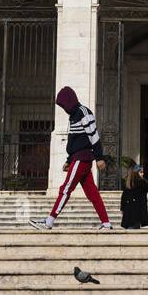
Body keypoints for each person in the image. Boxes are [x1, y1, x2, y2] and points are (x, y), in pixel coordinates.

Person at [31, 86, 111, 230]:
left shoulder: (83, 112)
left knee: (66, 188)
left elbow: (94, 135)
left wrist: (99, 157)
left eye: (63, 105)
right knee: (92, 193)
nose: (63, 108)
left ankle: (49, 221)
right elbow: (74, 140)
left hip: (82, 158)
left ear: (69, 101)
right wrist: (69, 160)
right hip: (78, 158)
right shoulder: (73, 116)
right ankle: (106, 223)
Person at [119, 163, 148, 230]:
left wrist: (122, 208)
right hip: (137, 212)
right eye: (141, 172)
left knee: (131, 229)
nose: (143, 174)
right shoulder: (141, 182)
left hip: (129, 213)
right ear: (136, 173)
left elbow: (123, 198)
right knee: (134, 229)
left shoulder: (128, 184)